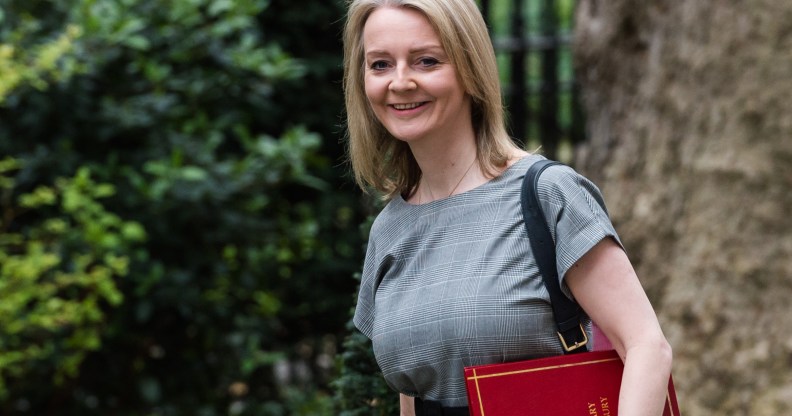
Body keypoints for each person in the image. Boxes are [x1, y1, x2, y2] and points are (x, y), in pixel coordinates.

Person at [342, 1, 673, 415]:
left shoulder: (547, 193)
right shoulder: (390, 228)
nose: (401, 81)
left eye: (426, 61)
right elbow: (414, 391)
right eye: (380, 65)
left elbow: (646, 346)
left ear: (469, 69)